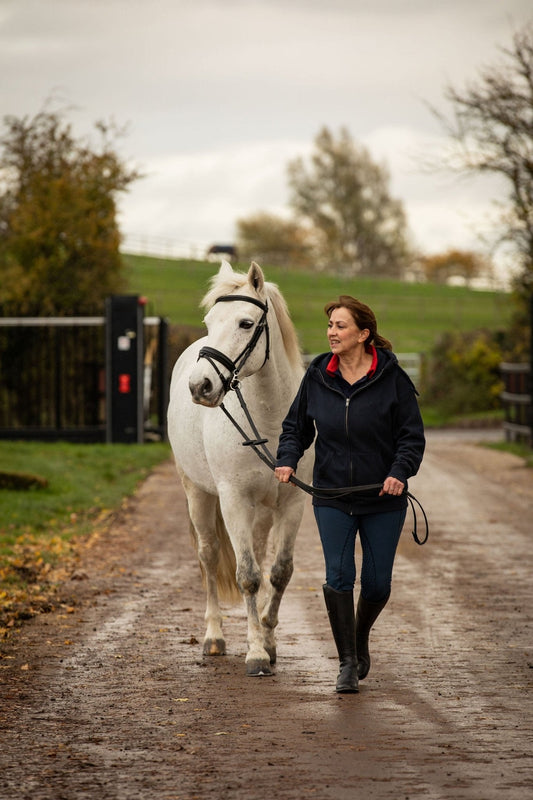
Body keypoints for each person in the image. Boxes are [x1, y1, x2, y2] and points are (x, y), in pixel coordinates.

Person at [275, 296, 425, 693]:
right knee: (339, 576)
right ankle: (346, 663)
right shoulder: (318, 375)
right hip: (333, 495)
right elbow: (295, 428)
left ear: (363, 334)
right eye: (330, 326)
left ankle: (359, 642)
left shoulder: (393, 378)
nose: (331, 333)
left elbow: (411, 437)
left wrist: (399, 473)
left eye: (340, 326)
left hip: (382, 498)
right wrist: (287, 459)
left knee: (377, 585)